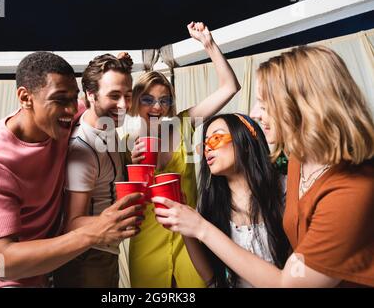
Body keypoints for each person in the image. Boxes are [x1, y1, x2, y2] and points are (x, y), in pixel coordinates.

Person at [154, 45, 374, 287]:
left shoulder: (351, 191)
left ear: (302, 105)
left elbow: (288, 284)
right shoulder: (299, 162)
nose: (254, 113)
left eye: (264, 103)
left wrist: (200, 228)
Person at [0, 51, 144, 288]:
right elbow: (1, 263)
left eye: (73, 99)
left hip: (43, 274)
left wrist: (114, 67)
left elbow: (96, 101)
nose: (70, 109)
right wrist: (94, 232)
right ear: (25, 98)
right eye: (60, 100)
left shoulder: (62, 119)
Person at [127, 21, 241, 287]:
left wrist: (208, 44)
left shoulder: (183, 123)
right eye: (148, 99)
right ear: (134, 102)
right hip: (146, 242)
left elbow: (229, 87)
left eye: (164, 99)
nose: (158, 106)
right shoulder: (124, 141)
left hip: (189, 239)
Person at [170, 113, 290, 287]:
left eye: (216, 138)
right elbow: (212, 279)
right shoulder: (210, 203)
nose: (207, 149)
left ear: (246, 142)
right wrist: (184, 227)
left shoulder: (285, 189)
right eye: (205, 144)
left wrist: (199, 227)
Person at [53, 53, 137, 287]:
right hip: (87, 257)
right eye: (114, 96)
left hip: (106, 252)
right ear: (90, 95)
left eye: (127, 96)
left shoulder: (107, 127)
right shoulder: (82, 149)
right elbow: (72, 222)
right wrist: (119, 219)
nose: (123, 106)